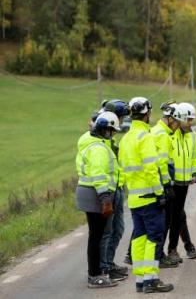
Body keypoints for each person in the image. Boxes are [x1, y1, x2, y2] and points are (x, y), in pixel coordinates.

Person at [118, 97, 174, 293]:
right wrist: (161, 192)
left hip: (134, 199)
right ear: (147, 114)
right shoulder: (146, 137)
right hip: (150, 197)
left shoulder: (125, 139)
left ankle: (140, 280)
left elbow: (123, 171)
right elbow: (151, 168)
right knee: (154, 238)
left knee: (139, 238)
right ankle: (152, 279)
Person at [75, 111, 121, 288]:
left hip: (91, 194)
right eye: (112, 131)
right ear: (106, 130)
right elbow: (99, 176)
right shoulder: (99, 149)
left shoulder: (95, 145)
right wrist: (106, 200)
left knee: (96, 236)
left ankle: (95, 273)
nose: (113, 134)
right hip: (95, 196)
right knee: (96, 237)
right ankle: (94, 276)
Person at [97, 100, 130, 281]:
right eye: (122, 117)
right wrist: (105, 195)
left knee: (118, 230)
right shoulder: (99, 137)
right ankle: (105, 267)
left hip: (116, 188)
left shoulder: (110, 137)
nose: (122, 120)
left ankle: (109, 263)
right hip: (108, 191)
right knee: (108, 232)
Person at [151, 101, 186, 267]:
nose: (178, 127)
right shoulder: (163, 135)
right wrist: (167, 186)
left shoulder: (157, 130)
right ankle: (159, 256)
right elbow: (162, 163)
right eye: (178, 123)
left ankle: (159, 254)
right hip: (161, 184)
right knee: (163, 222)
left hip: (156, 182)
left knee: (161, 221)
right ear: (171, 119)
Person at [168, 102, 196, 262]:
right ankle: (175, 249)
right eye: (188, 119)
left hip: (184, 184)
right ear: (179, 118)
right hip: (170, 183)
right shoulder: (169, 135)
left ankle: (178, 248)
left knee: (178, 215)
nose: (190, 123)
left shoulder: (193, 136)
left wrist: (195, 172)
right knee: (174, 217)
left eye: (192, 119)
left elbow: (195, 157)